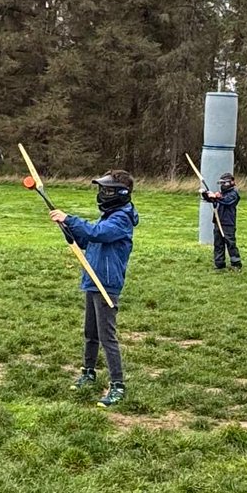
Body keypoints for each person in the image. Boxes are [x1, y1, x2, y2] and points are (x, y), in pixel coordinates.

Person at [51, 170, 139, 408]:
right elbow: (89, 240)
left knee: (107, 337)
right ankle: (88, 372)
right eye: (102, 189)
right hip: (92, 280)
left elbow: (99, 234)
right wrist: (70, 230)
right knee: (90, 332)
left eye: (108, 190)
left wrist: (70, 219)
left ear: (121, 193)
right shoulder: (108, 215)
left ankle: (118, 385)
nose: (103, 194)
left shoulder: (121, 218)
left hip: (106, 284)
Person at [202, 172, 242, 271]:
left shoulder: (234, 193)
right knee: (218, 244)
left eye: (224, 183)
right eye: (221, 183)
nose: (223, 185)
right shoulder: (221, 194)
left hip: (228, 223)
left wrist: (216, 197)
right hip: (218, 221)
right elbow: (213, 201)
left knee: (230, 243)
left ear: (231, 182)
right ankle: (219, 264)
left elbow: (227, 201)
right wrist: (206, 194)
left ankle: (236, 264)